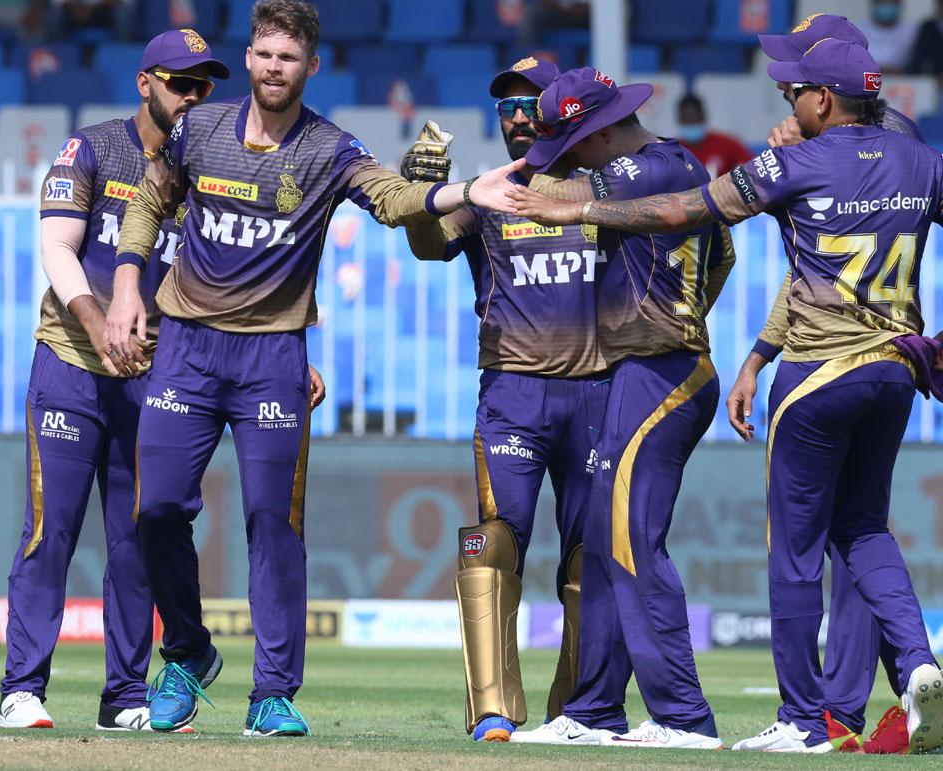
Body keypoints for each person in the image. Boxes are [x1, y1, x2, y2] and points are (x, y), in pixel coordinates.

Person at [495, 39, 943, 755]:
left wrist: (560, 211)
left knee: (788, 552)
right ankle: (920, 661)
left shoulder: (783, 161)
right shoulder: (923, 162)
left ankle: (778, 718)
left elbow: (686, 212)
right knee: (862, 528)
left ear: (822, 100)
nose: (787, 107)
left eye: (793, 93)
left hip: (801, 374)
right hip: (893, 367)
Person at [104, 0, 499, 737]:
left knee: (272, 522)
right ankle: (187, 652)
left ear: (310, 67)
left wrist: (462, 191)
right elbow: (148, 202)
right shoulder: (200, 127)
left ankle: (273, 693)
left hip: (271, 359)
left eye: (288, 58)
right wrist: (127, 283)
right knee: (154, 510)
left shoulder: (329, 147)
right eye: (263, 54)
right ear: (248, 58)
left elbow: (391, 199)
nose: (273, 68)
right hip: (186, 346)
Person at [474, 66, 732, 751]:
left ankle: (683, 715)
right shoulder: (671, 161)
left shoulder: (641, 170)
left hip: (662, 373)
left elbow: (559, 193)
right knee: (605, 537)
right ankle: (594, 710)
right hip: (642, 370)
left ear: (605, 131)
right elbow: (723, 255)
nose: (570, 156)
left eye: (575, 142)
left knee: (629, 540)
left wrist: (472, 188)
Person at [0, 28, 233, 733]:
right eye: (178, 82)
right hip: (71, 359)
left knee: (136, 540)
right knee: (51, 530)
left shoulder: (210, 169)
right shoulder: (92, 149)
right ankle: (22, 689)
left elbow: (230, 279)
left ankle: (124, 694)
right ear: (145, 83)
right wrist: (97, 319)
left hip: (154, 377)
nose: (190, 96)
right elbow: (57, 246)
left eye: (202, 86)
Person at [732, 12, 925, 753]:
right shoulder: (884, 144)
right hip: (884, 365)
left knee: (820, 543)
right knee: (860, 532)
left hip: (830, 370)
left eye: (795, 75)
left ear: (828, 83)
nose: (785, 89)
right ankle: (913, 677)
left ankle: (826, 712)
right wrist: (757, 353)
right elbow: (809, 275)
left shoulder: (877, 146)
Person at [401, 56, 607, 742]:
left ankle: (577, 712)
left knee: (591, 557)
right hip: (512, 394)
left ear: (559, 107)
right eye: (505, 107)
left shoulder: (600, 188)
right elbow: (430, 245)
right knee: (489, 542)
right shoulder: (488, 192)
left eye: (530, 103)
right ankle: (493, 709)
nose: (516, 117)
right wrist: (422, 193)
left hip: (595, 396)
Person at [675, 94, 753, 178]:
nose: (691, 123)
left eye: (694, 118)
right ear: (679, 119)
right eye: (686, 119)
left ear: (703, 117)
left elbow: (753, 168)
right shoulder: (672, 150)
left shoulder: (726, 144)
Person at [856, 0, 916, 72]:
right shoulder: (858, 30)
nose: (887, 7)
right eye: (883, 3)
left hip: (901, 80)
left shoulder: (912, 31)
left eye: (891, 4)